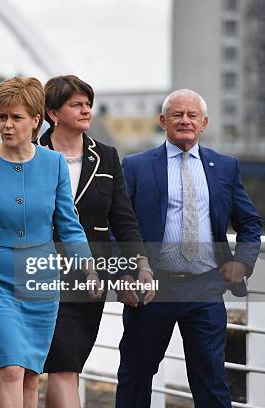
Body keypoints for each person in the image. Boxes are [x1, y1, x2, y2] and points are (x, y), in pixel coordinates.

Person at [0, 77, 94, 408]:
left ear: (35, 120)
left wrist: (88, 266)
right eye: (2, 117)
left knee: (30, 374)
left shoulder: (54, 163)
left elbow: (69, 225)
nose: (7, 125)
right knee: (11, 368)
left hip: (41, 281)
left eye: (15, 117)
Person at [116, 89, 261, 407]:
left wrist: (243, 262)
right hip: (150, 288)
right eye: (177, 114)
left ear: (204, 123)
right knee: (136, 377)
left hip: (205, 289)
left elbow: (250, 224)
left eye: (192, 115)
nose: (184, 120)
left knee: (211, 381)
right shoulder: (136, 166)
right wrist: (123, 274)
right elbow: (118, 226)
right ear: (162, 121)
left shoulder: (225, 167)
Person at [37, 75, 154, 408]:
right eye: (76, 104)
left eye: (88, 103)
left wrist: (141, 264)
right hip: (40, 273)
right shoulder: (32, 154)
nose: (86, 110)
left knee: (69, 366)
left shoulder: (106, 156)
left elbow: (124, 219)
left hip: (89, 278)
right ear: (53, 113)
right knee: (61, 365)